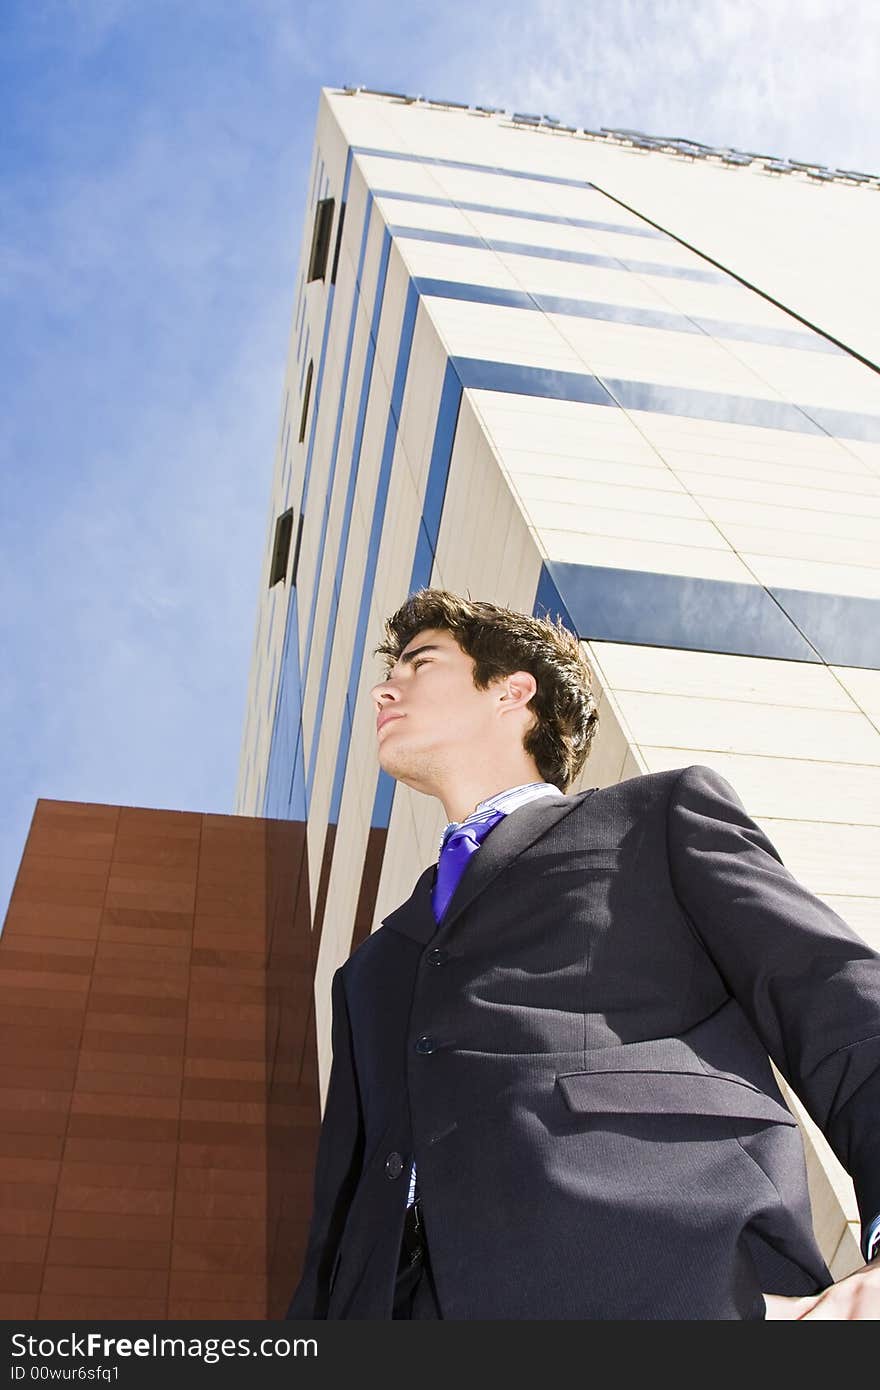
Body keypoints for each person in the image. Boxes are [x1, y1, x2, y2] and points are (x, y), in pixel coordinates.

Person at [287, 588, 880, 1320]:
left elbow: (837, 1000)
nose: (385, 686)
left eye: (420, 662)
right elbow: (337, 1216)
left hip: (663, 1278)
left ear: (513, 690)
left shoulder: (655, 819)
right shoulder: (369, 969)